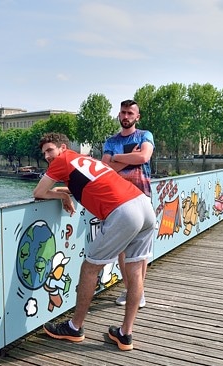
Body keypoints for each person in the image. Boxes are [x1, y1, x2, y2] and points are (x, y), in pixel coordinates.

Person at [33, 133, 155, 351]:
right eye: (44, 154)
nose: (47, 156)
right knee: (135, 269)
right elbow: (83, 186)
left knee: (90, 268)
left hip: (123, 212)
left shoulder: (61, 161)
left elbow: (39, 192)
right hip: (143, 204)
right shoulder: (84, 160)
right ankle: (125, 334)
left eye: (50, 150)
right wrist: (64, 192)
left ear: (62, 148)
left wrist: (60, 196)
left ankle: (74, 327)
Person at [102, 99, 154, 309]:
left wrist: (119, 158)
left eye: (130, 113)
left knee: (140, 252)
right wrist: (130, 157)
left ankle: (138, 293)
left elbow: (143, 156)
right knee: (123, 250)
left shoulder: (144, 135)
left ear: (137, 117)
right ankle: (130, 289)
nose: (126, 117)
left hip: (142, 196)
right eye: (123, 113)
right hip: (118, 200)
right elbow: (105, 168)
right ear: (119, 115)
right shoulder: (110, 140)